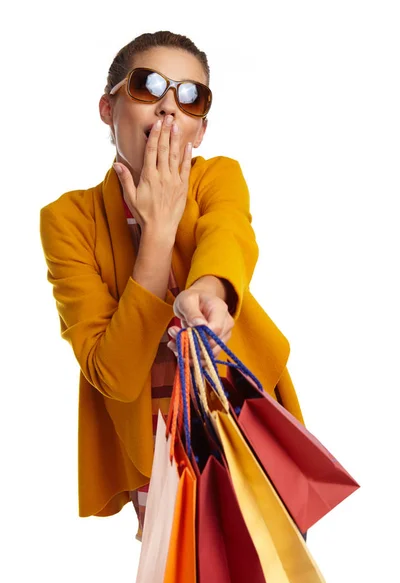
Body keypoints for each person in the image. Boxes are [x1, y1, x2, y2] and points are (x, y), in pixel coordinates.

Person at [39, 30, 305, 542]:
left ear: (200, 129)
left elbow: (227, 234)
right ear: (106, 107)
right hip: (158, 450)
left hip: (247, 422)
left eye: (189, 96)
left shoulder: (218, 177)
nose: (168, 108)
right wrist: (156, 236)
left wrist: (206, 289)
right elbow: (112, 373)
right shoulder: (68, 220)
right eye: (148, 87)